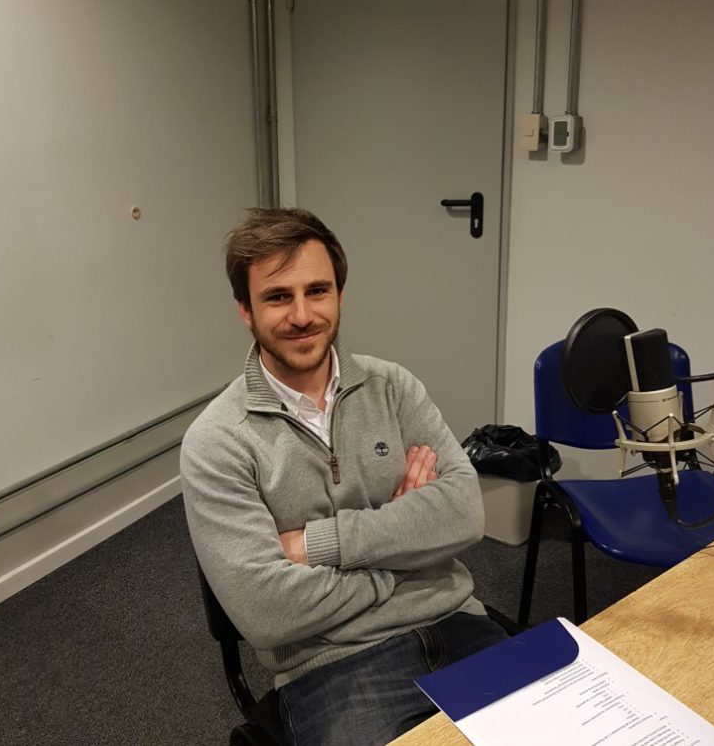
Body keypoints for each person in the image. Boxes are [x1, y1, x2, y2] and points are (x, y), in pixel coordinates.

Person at [180, 208, 507, 746]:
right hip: (334, 666)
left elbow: (465, 513)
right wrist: (406, 547)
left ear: (340, 295)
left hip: (457, 622)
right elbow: (268, 611)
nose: (302, 315)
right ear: (245, 310)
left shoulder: (393, 388)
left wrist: (316, 544)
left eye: (318, 291)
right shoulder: (216, 442)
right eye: (277, 297)